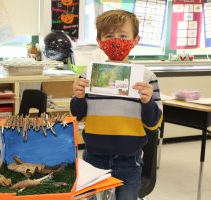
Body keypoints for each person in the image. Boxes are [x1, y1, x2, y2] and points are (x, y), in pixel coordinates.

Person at [70, 10, 163, 200]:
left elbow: (154, 122)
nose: (115, 41)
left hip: (129, 160)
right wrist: (78, 97)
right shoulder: (89, 75)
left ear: (135, 40)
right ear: (99, 41)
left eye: (123, 36)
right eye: (109, 36)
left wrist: (147, 102)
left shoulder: (147, 77)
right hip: (94, 158)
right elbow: (77, 115)